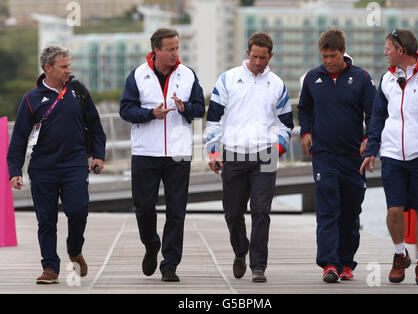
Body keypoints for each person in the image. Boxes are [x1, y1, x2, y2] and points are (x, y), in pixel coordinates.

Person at [7, 45, 106, 284]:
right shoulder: (31, 98)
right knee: (46, 220)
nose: (68, 71)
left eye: (69, 65)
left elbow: (95, 124)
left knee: (78, 210)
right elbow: (20, 136)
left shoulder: (78, 90)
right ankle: (50, 267)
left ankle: (74, 249)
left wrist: (98, 155)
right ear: (48, 68)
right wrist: (14, 171)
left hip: (75, 164)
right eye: (63, 67)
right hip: (43, 168)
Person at [361, 29, 418, 286]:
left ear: (401, 50)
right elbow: (377, 117)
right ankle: (400, 254)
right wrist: (371, 151)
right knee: (394, 210)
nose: (384, 52)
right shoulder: (386, 80)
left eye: (388, 47)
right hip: (392, 155)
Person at [206, 32, 293, 283]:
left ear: (270, 56)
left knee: (261, 211)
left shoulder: (277, 84)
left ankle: (258, 266)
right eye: (254, 56)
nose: (257, 62)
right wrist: (213, 151)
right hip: (233, 153)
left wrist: (279, 148)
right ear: (248, 53)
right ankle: (240, 249)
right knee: (233, 213)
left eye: (262, 58)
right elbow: (214, 120)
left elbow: (286, 123)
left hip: (266, 154)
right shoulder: (228, 79)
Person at [120, 28, 205, 282]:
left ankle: (170, 263)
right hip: (146, 153)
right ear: (156, 50)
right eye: (170, 49)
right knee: (144, 207)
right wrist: (149, 114)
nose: (175, 53)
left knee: (176, 210)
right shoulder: (138, 75)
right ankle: (151, 244)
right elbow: (126, 110)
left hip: (178, 154)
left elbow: (200, 109)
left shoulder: (188, 75)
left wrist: (185, 107)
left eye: (177, 48)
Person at [298, 28, 376, 283]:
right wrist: (306, 132)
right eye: (324, 56)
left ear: (343, 52)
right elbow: (305, 109)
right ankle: (329, 263)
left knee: (350, 211)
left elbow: (373, 114)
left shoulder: (362, 78)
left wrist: (368, 139)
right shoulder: (312, 78)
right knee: (328, 209)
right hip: (324, 155)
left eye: (332, 56)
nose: (328, 61)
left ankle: (346, 262)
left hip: (354, 156)